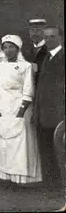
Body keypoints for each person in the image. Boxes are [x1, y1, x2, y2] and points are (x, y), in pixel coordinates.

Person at [0, 35, 41, 186]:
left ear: (18, 49)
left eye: (11, 47)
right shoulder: (0, 66)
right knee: (4, 142)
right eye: (5, 47)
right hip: (3, 108)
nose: (8, 50)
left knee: (20, 142)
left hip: (19, 107)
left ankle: (22, 179)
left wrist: (21, 111)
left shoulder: (26, 66)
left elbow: (28, 90)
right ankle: (6, 177)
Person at [33, 26, 65, 191]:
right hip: (43, 114)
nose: (49, 40)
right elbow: (40, 88)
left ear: (60, 37)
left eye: (52, 36)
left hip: (57, 114)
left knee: (58, 151)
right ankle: (50, 186)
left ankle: (59, 186)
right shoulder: (46, 57)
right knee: (46, 151)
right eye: (46, 37)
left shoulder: (62, 57)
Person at [25, 19, 48, 84]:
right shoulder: (25, 50)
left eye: (38, 30)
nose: (34, 33)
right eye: (32, 30)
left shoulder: (50, 49)